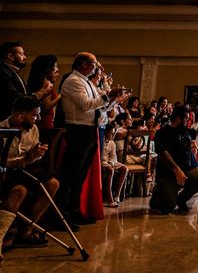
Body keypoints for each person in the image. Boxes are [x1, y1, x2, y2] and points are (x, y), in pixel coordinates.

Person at [58, 52, 129, 225]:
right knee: (72, 174)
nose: (97, 67)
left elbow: (101, 107)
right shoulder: (73, 81)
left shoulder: (87, 82)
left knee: (81, 173)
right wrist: (106, 96)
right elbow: (85, 105)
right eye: (94, 64)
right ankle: (62, 214)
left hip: (90, 129)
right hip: (77, 129)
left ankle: (74, 210)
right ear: (83, 63)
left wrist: (113, 99)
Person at [0, 95, 59, 254]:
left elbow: (30, 158)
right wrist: (23, 160)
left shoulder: (33, 129)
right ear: (20, 116)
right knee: (19, 190)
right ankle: (1, 236)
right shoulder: (1, 130)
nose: (38, 118)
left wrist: (35, 155)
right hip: (4, 173)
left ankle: (25, 230)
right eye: (34, 115)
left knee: (52, 183)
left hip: (24, 170)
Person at [149, 106, 198, 214]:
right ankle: (158, 194)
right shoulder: (163, 132)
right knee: (167, 207)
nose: (187, 120)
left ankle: (181, 200)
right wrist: (176, 169)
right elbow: (163, 152)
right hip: (168, 171)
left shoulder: (184, 130)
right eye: (186, 118)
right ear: (178, 118)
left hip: (185, 168)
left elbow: (196, 133)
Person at [0, 42, 53, 121]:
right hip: (6, 121)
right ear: (10, 56)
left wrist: (42, 92)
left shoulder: (14, 72)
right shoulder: (2, 72)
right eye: (21, 54)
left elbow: (25, 94)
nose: (25, 57)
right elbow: (15, 97)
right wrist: (39, 94)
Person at [26, 54, 62, 130]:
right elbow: (46, 106)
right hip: (45, 120)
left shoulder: (37, 80)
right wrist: (60, 96)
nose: (57, 69)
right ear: (48, 68)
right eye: (55, 66)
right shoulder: (46, 83)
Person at [101, 124, 128, 207]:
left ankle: (117, 195)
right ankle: (110, 199)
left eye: (113, 133)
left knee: (124, 169)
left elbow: (113, 157)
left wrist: (112, 162)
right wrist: (108, 164)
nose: (112, 135)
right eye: (111, 133)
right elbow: (100, 156)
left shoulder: (112, 143)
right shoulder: (101, 141)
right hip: (102, 162)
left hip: (109, 161)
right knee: (110, 170)